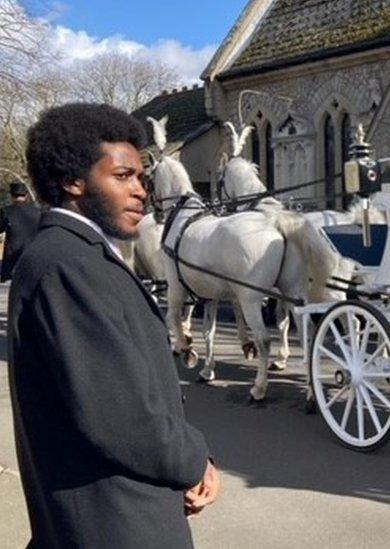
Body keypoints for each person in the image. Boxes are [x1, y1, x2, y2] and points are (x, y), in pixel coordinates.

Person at [8, 103, 219, 548]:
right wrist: (194, 459)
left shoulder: (82, 256)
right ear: (72, 181)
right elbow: (121, 415)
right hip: (114, 524)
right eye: (122, 177)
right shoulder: (67, 265)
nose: (140, 190)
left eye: (140, 178)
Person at [0, 181, 42, 282]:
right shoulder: (38, 212)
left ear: (11, 195)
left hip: (12, 258)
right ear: (26, 195)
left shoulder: (6, 211)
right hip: (33, 255)